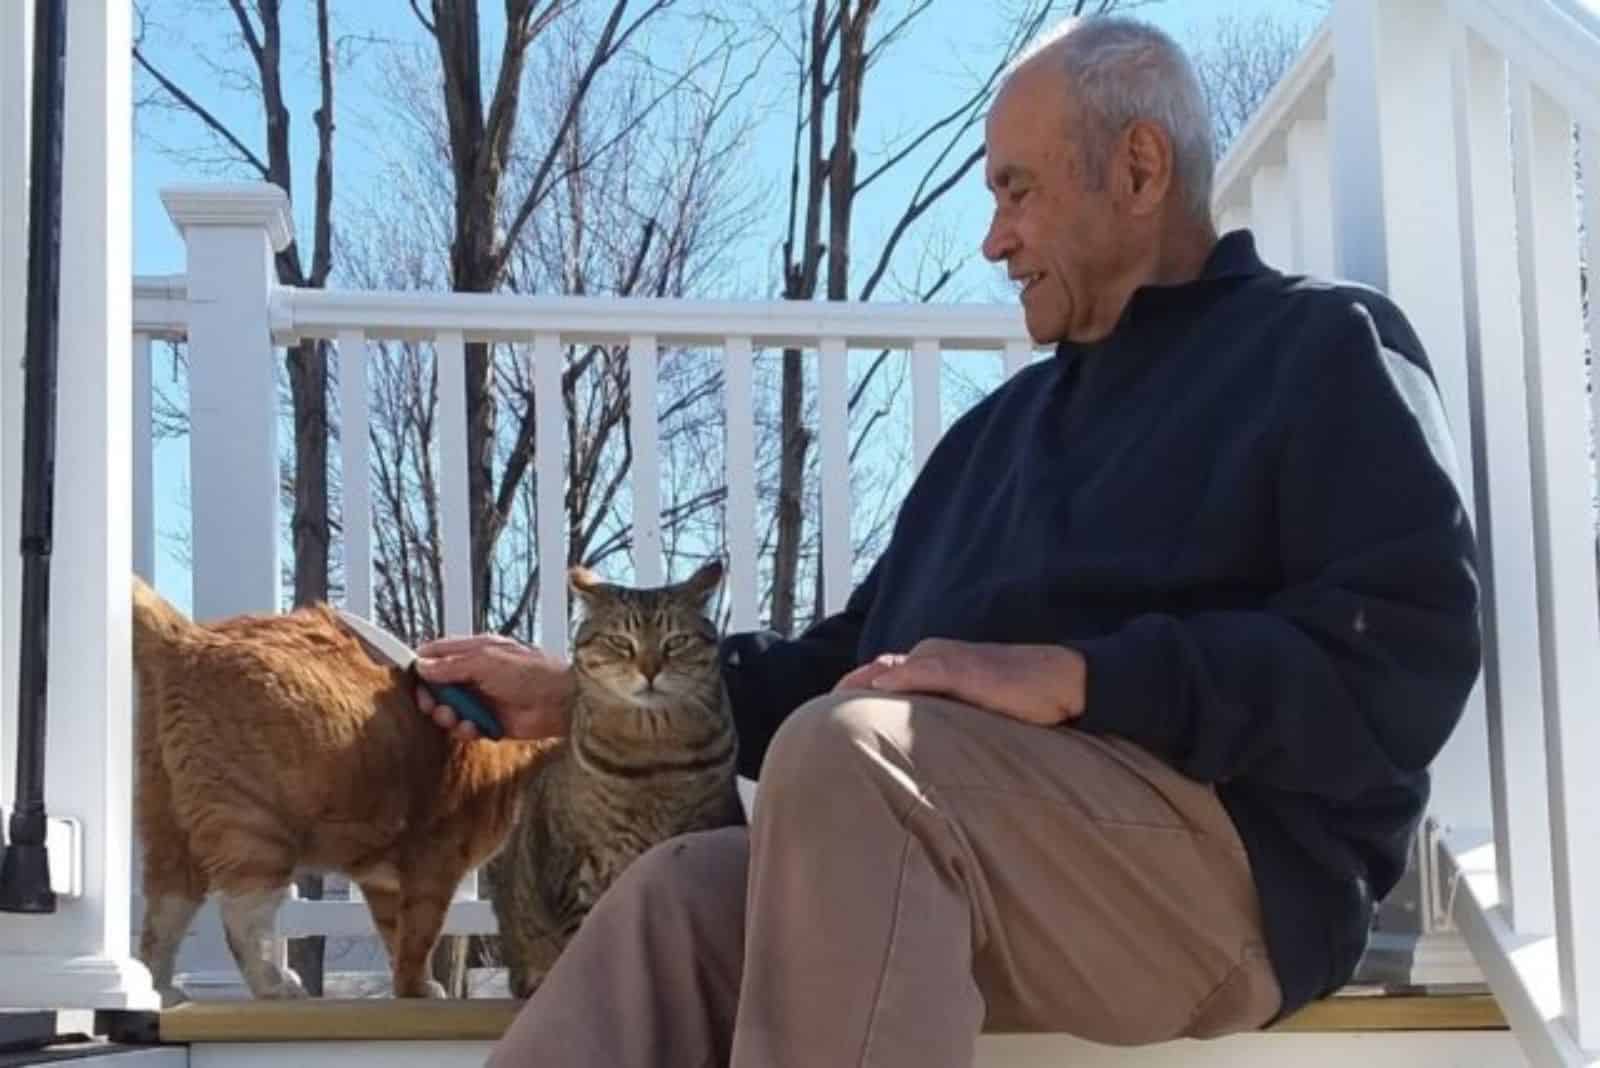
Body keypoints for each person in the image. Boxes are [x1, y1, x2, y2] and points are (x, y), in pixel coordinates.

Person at [414, 13, 1482, 1067]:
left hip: (1229, 875)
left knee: (855, 756)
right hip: (965, 851)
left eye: (1017, 189)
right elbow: (845, 667)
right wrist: (577, 695)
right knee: (680, 897)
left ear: (1140, 166)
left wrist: (1080, 678)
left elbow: (1402, 653)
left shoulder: (1313, 349)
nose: (993, 238)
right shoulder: (993, 442)